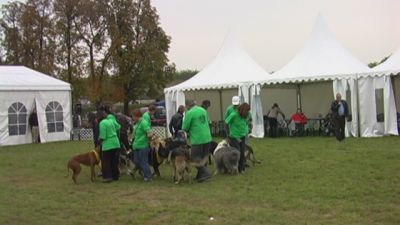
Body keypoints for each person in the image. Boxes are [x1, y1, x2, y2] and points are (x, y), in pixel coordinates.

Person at [182, 100, 212, 182]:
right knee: (203, 157)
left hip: (197, 138)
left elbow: (185, 127)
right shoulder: (203, 110)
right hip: (207, 137)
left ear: (187, 106)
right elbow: (208, 122)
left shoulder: (190, 113)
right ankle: (200, 176)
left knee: (194, 158)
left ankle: (206, 173)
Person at [225, 103, 251, 173]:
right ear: (243, 110)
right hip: (234, 137)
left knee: (242, 153)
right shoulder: (234, 114)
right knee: (237, 153)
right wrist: (228, 134)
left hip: (242, 136)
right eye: (247, 111)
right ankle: (233, 168)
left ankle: (241, 169)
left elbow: (247, 122)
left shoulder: (246, 115)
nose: (248, 112)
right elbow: (226, 122)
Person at [131, 109, 153, 182]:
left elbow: (149, 132)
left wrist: (148, 141)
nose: (132, 118)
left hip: (143, 145)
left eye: (133, 116)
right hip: (136, 145)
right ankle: (144, 173)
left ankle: (148, 176)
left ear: (137, 116)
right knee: (136, 161)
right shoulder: (137, 123)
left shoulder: (144, 123)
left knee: (143, 162)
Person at [99, 110, 121, 183]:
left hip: (108, 144)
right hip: (116, 143)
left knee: (106, 161)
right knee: (114, 160)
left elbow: (103, 136)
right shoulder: (111, 121)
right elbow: (118, 127)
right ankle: (116, 176)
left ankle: (108, 177)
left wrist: (100, 140)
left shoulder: (102, 123)